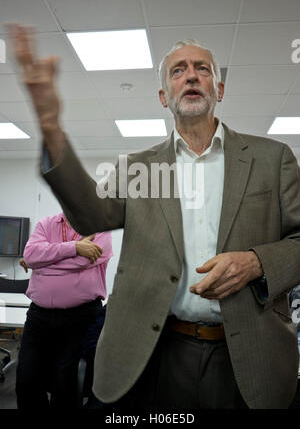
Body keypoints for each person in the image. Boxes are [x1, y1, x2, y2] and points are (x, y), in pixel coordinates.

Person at [7, 24, 300, 409]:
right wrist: (49, 125)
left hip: (248, 353)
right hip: (160, 351)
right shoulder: (137, 169)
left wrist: (256, 262)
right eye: (178, 70)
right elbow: (88, 213)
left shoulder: (273, 159)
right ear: (164, 96)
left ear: (219, 90)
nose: (191, 75)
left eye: (202, 68)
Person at [15, 212, 112, 409]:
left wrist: (41, 266)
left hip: (80, 316)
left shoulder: (100, 228)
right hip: (38, 316)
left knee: (65, 380)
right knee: (26, 378)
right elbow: (30, 254)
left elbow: (83, 262)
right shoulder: (46, 224)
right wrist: (75, 247)